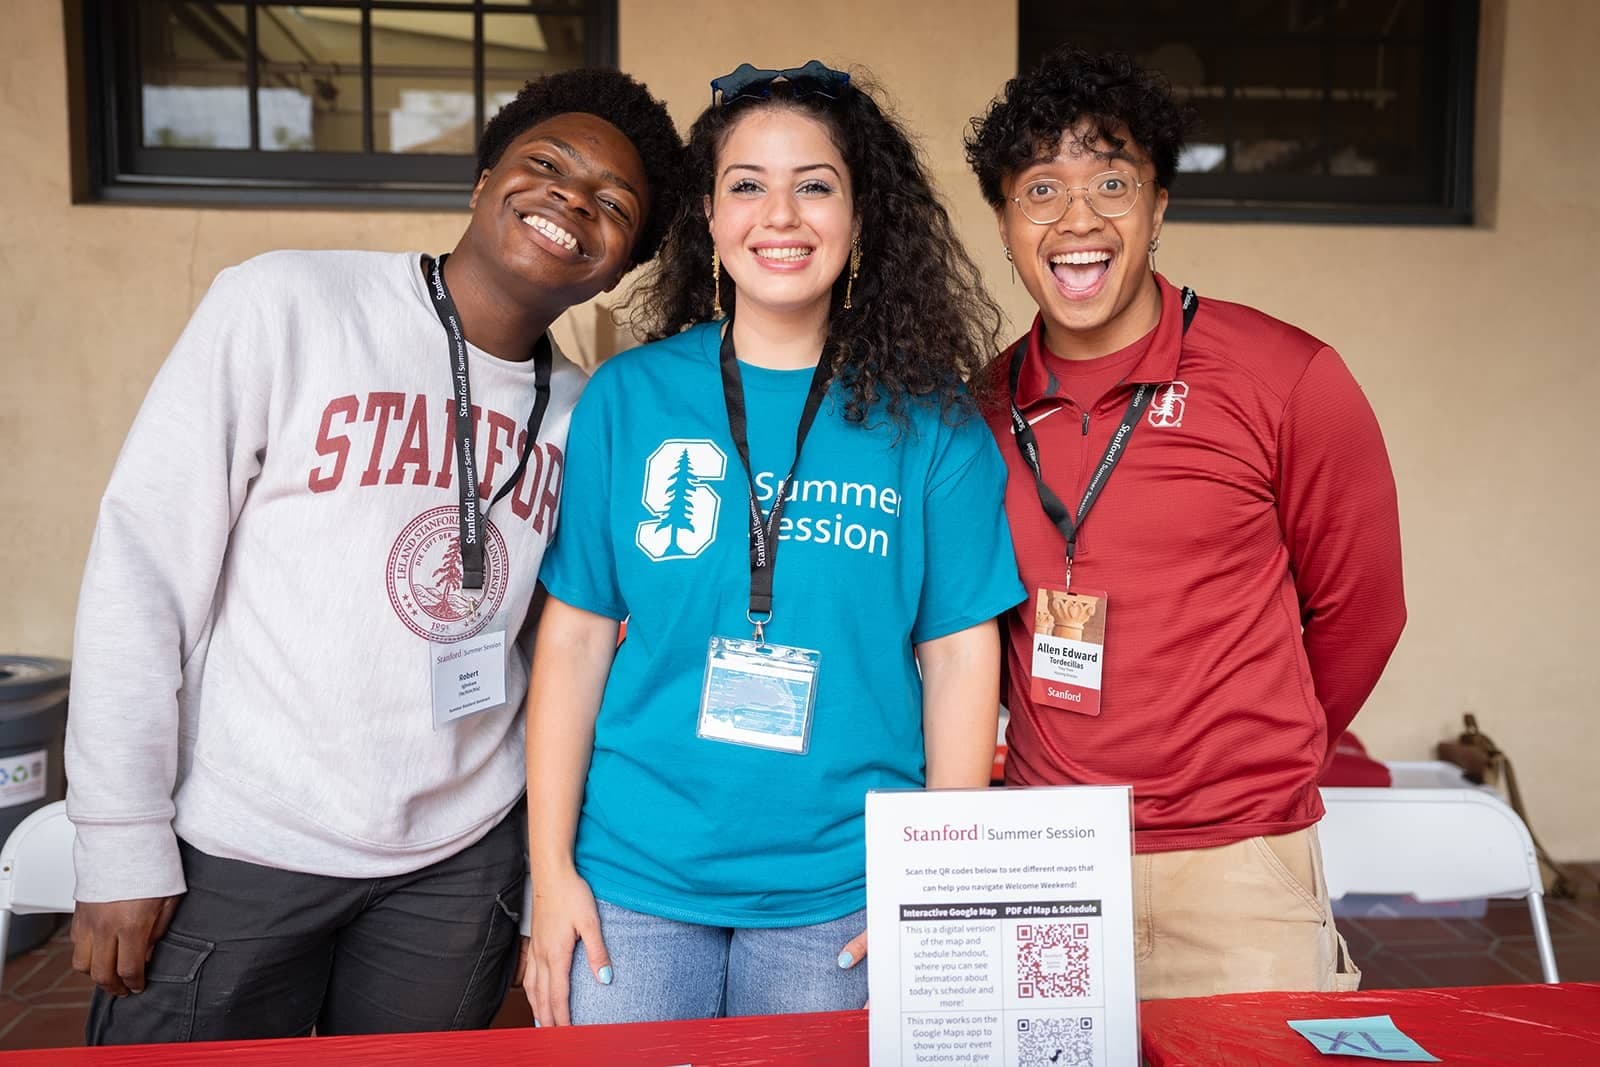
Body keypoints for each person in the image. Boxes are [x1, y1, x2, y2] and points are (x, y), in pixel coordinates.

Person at [65, 68, 686, 1043]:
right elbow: (144, 568)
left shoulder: (585, 411)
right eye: (545, 165)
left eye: (615, 203)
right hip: (244, 838)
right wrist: (118, 838)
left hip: (457, 860)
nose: (573, 198)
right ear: (482, 182)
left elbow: (571, 644)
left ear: (619, 264)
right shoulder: (286, 302)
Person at [523, 60, 1024, 1027]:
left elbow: (962, 654)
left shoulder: (935, 423)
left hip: (844, 888)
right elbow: (576, 639)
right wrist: (551, 873)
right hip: (634, 877)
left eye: (816, 185)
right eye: (747, 184)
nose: (780, 215)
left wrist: (931, 880)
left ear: (861, 214)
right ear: (709, 219)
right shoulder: (631, 398)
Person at [965, 47, 1406, 999]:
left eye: (1112, 182)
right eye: (1041, 188)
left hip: (1239, 866)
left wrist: (1246, 765)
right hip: (1047, 860)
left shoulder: (1286, 376)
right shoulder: (982, 409)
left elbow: (1364, 612)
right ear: (1004, 223)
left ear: (1160, 207)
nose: (1077, 219)